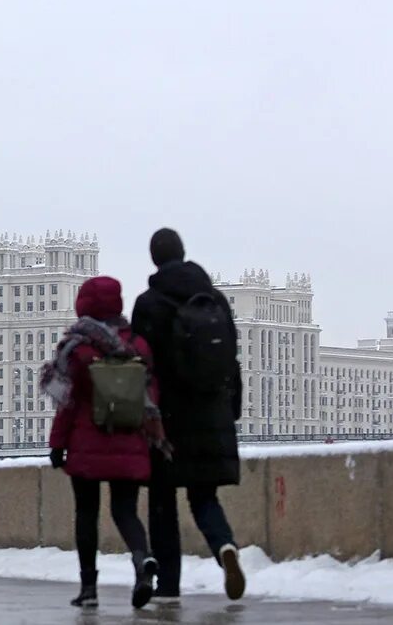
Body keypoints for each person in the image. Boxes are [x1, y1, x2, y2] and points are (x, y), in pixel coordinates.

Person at [130, 227, 246, 604]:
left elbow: (141, 367)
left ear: (154, 259)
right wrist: (232, 410)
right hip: (212, 414)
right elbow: (232, 362)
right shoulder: (213, 298)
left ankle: (168, 585)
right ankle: (224, 545)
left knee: (162, 503)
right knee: (203, 496)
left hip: (168, 420)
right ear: (183, 252)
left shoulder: (149, 303)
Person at [48, 276, 160, 610]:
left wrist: (57, 444)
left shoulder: (76, 347)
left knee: (87, 514)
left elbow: (66, 402)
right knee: (125, 511)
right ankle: (142, 562)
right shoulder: (138, 344)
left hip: (86, 443)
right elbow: (151, 394)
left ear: (83, 305)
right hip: (129, 441)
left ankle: (88, 588)